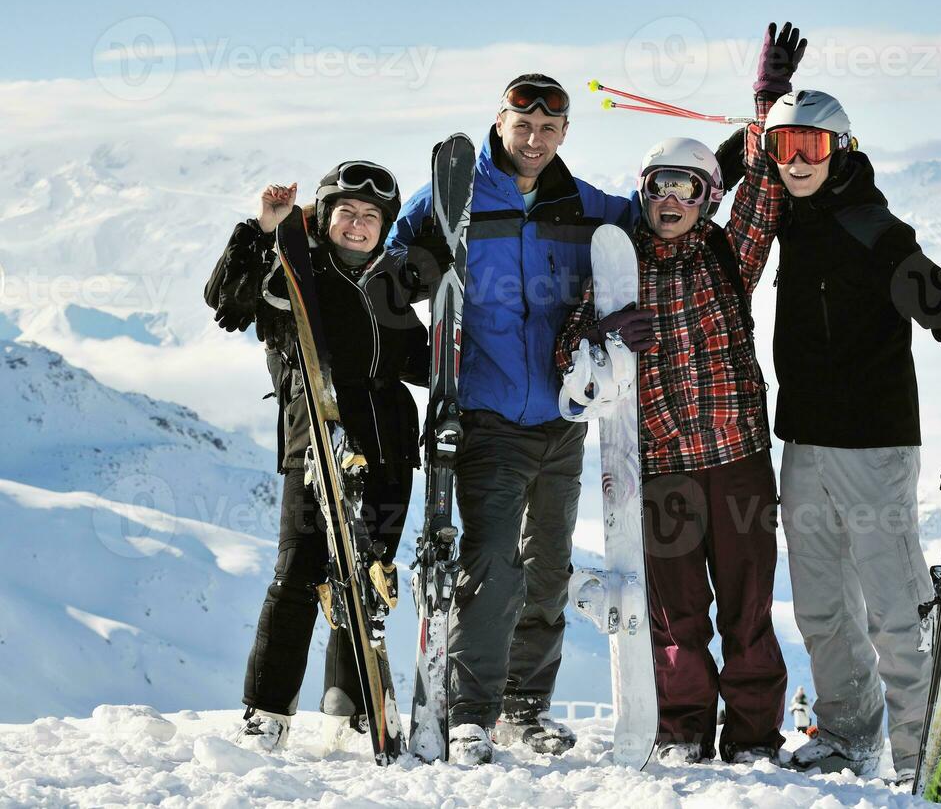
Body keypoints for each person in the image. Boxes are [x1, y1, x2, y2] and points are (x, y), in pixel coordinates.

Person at [746, 39, 941, 781]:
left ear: (842, 149)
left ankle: (921, 751)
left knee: (895, 610)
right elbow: (732, 167)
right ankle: (847, 730)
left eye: (814, 145)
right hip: (802, 441)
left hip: (873, 447)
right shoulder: (787, 209)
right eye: (785, 146)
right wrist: (766, 95)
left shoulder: (875, 230)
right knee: (820, 609)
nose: (797, 160)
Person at [386, 75, 639, 765]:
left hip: (562, 416)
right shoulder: (459, 192)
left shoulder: (582, 203)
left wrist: (745, 150)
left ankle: (524, 711)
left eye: (548, 129)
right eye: (522, 125)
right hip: (488, 412)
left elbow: (658, 213)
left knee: (548, 565)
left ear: (564, 134)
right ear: (499, 122)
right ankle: (471, 712)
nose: (534, 139)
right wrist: (415, 276)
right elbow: (388, 263)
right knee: (492, 562)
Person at [555, 123, 788, 765]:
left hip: (738, 460)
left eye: (686, 188)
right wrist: (602, 332)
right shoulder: (616, 268)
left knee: (748, 610)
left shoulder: (726, 256)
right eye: (660, 186)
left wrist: (764, 111)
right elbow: (568, 356)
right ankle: (683, 730)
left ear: (707, 196)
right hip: (660, 471)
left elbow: (764, 193)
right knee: (676, 617)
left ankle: (753, 737)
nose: (671, 200)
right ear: (645, 192)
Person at [205, 162, 433, 752]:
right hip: (318, 435)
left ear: (384, 225)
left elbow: (412, 361)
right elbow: (227, 303)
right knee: (300, 571)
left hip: (387, 444)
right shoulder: (293, 269)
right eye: (346, 214)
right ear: (326, 217)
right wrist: (262, 229)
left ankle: (351, 710)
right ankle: (267, 712)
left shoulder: (394, 278)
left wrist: (454, 355)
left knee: (369, 577)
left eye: (370, 217)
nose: (357, 226)